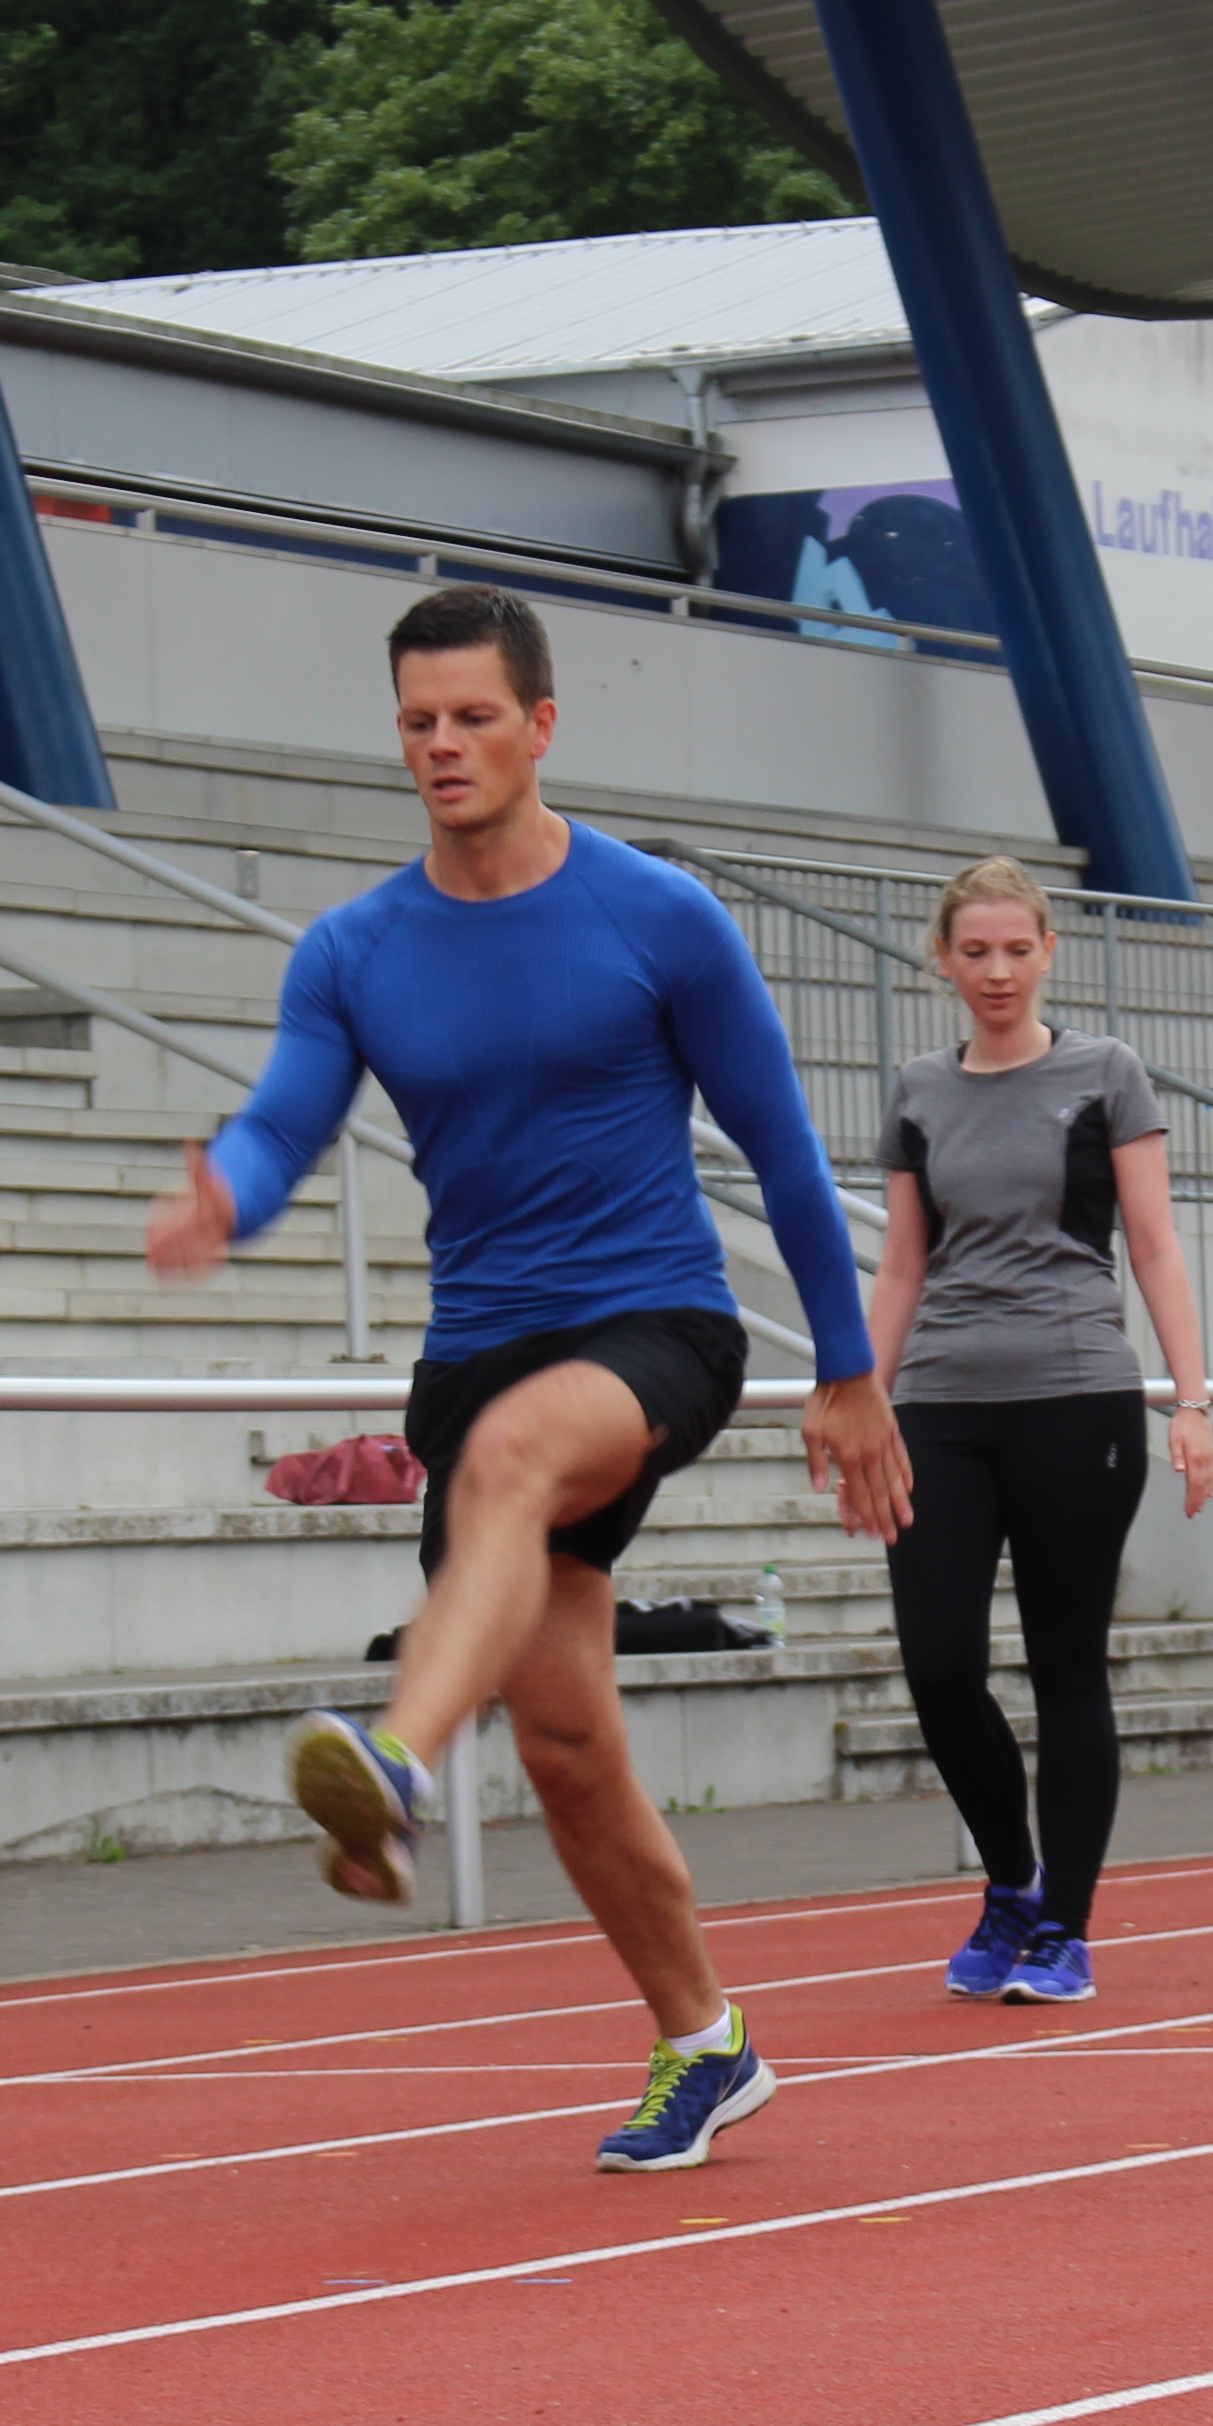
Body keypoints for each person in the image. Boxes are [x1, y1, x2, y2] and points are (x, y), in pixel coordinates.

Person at [146, 585, 908, 2170]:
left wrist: (847, 1371)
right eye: (418, 721)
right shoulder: (356, 948)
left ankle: (396, 1759)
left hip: (651, 1326)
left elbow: (776, 1144)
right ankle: (707, 2043)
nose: (443, 745)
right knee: (568, 1747)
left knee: (504, 1462)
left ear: (543, 725)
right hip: (480, 1341)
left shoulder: (657, 914)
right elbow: (290, 1117)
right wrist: (229, 1184)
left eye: (474, 716)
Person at [867, 853, 1213, 2007]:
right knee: (939, 1662)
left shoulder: (1105, 1072)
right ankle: (1010, 1879)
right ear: (944, 959)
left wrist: (1194, 1401)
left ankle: (1064, 1925)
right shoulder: (919, 1088)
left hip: (1078, 1397)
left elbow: (1154, 1243)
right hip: (940, 1405)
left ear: (1049, 951)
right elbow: (905, 1264)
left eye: (1018, 949)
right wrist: (862, 1399)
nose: (999, 971)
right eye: (976, 951)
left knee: (1068, 1666)